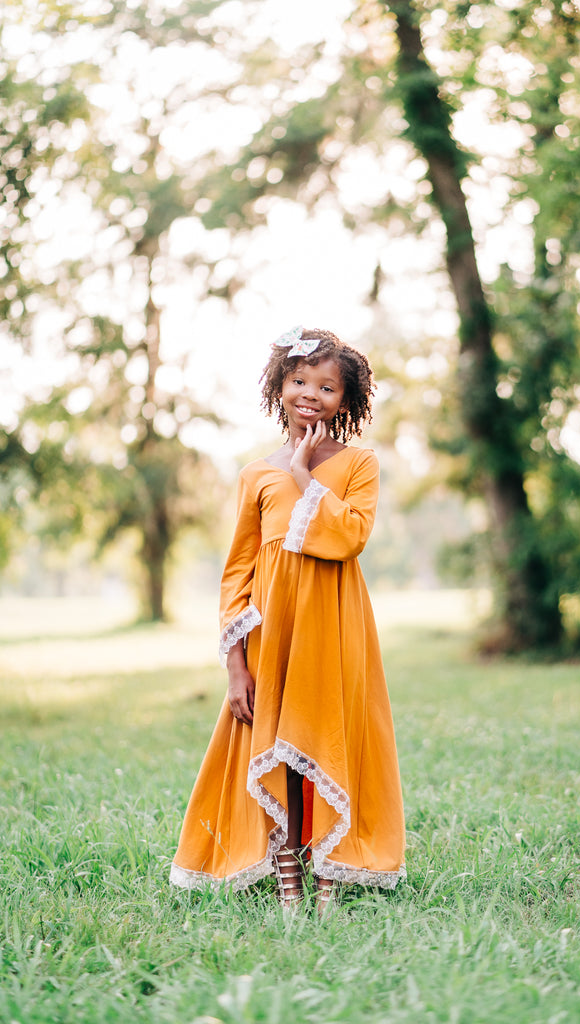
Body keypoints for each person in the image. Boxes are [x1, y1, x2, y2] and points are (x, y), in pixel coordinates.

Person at [170, 326, 405, 913]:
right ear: (278, 386)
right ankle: (286, 875)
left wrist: (304, 477)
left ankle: (329, 872)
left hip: (335, 631)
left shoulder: (359, 464)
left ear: (345, 401)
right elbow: (238, 574)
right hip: (272, 637)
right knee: (277, 744)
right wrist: (234, 667)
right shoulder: (254, 473)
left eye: (327, 387)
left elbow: (349, 536)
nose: (311, 394)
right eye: (300, 380)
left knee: (325, 740)